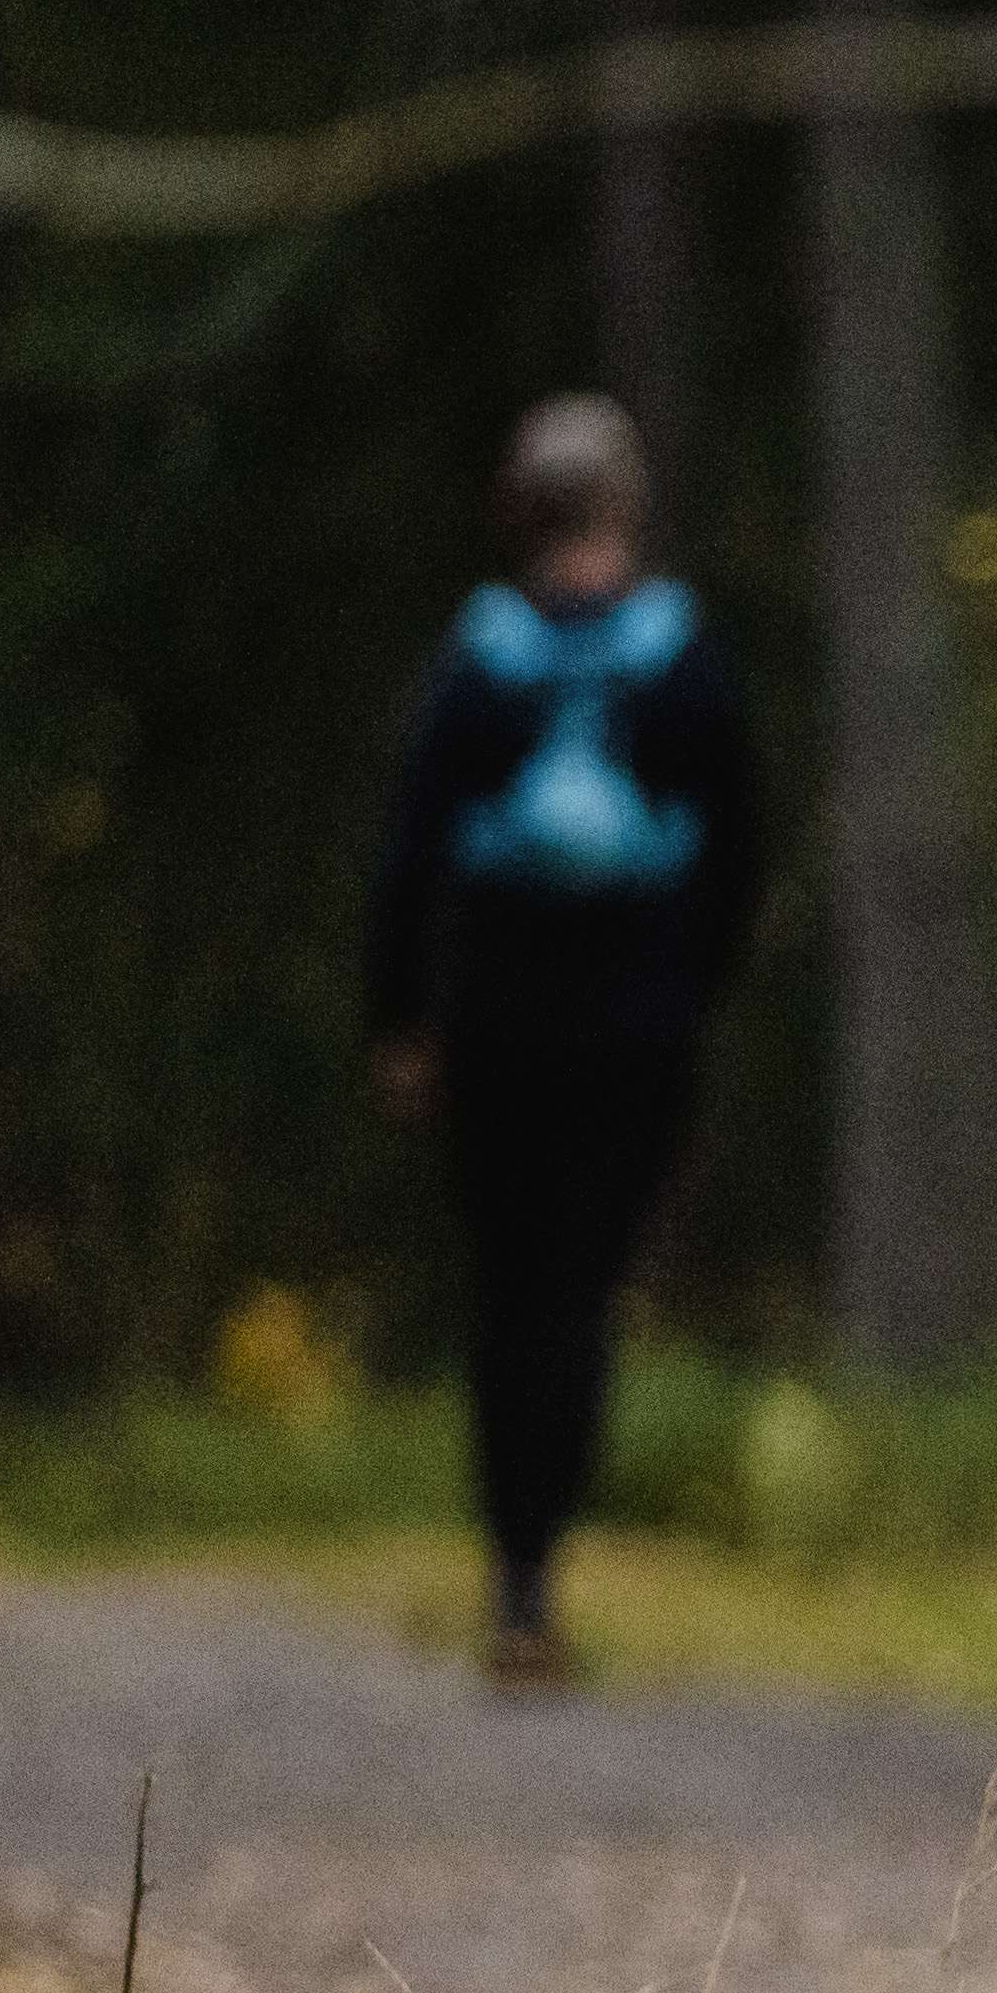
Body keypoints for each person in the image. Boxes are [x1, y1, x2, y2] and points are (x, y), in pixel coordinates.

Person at [359, 397, 768, 1693]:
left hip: (496, 1019)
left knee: (509, 1287)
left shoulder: (479, 659)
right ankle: (548, 1560)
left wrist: (401, 1019)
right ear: (625, 507)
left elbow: (409, 850)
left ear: (519, 510)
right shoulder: (684, 656)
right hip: (633, 1024)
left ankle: (516, 1569)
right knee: (583, 1294)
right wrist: (694, 986)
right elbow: (746, 845)